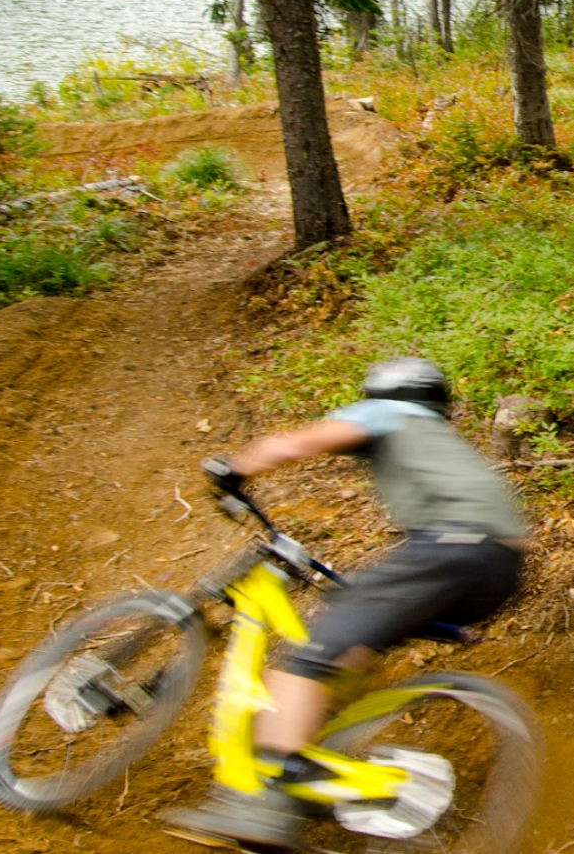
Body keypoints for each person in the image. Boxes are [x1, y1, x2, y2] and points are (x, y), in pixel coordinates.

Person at [165, 357, 530, 848]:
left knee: (307, 657)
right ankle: (319, 747)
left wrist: (236, 468)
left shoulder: (389, 414)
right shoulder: (439, 442)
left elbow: (299, 443)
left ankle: (270, 794)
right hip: (495, 572)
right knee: (349, 642)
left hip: (450, 548)